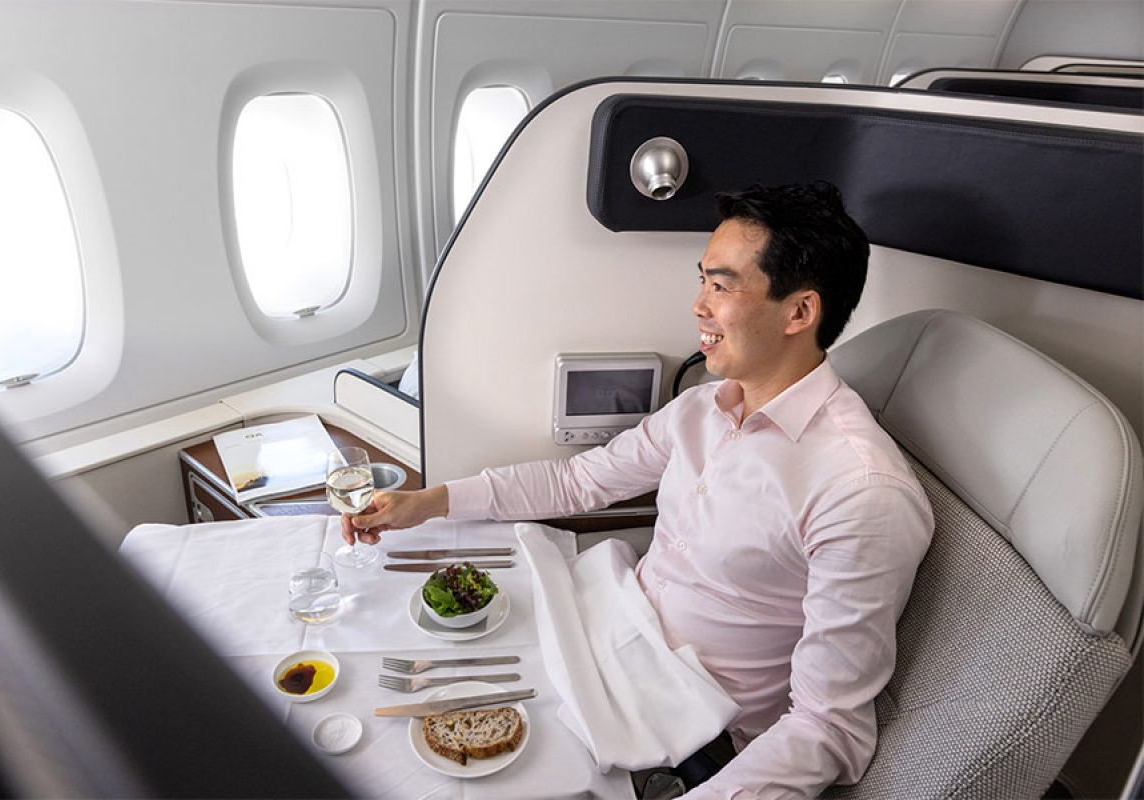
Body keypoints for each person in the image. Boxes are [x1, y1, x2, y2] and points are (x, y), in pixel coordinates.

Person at [342, 182, 934, 798]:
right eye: (703, 281)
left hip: (681, 723)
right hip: (602, 627)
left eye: (722, 286)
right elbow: (580, 479)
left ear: (799, 312)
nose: (699, 306)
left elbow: (827, 726)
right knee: (412, 693)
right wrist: (428, 502)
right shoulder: (702, 409)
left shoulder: (860, 492)